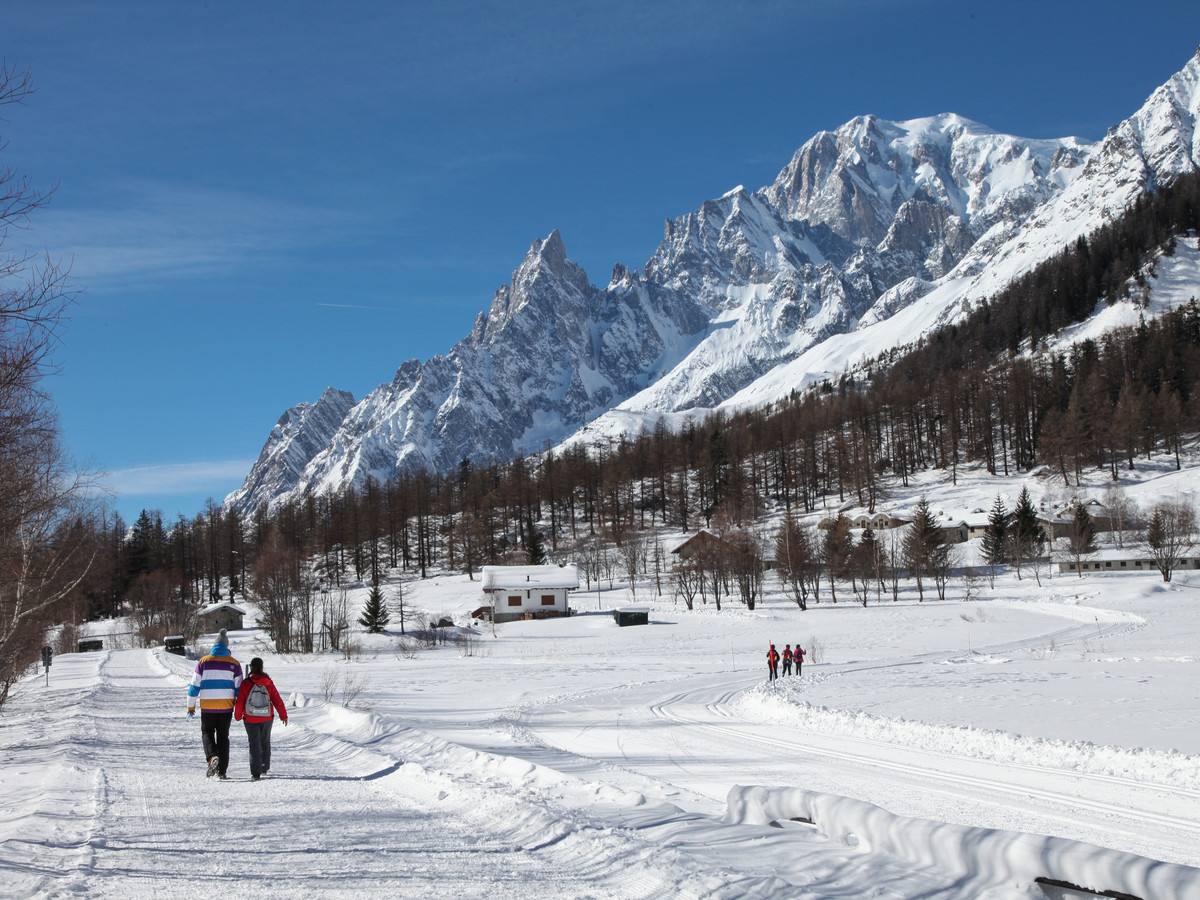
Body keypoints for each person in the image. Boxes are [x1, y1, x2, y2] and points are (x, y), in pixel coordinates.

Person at [187, 628, 243, 779]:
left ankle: (212, 757)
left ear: (214, 645)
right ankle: (222, 771)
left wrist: (190, 707)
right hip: (226, 707)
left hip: (208, 707)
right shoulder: (235, 664)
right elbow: (239, 689)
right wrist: (239, 707)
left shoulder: (203, 662)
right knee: (223, 737)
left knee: (207, 732)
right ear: (226, 646)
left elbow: (194, 687)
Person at [234, 656, 288, 780]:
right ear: (262, 667)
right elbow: (277, 699)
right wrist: (283, 715)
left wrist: (237, 716)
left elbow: (241, 701)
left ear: (251, 667)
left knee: (254, 743)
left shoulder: (246, 683)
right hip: (267, 717)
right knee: (265, 741)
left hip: (250, 718)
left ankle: (255, 772)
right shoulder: (268, 682)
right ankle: (264, 767)